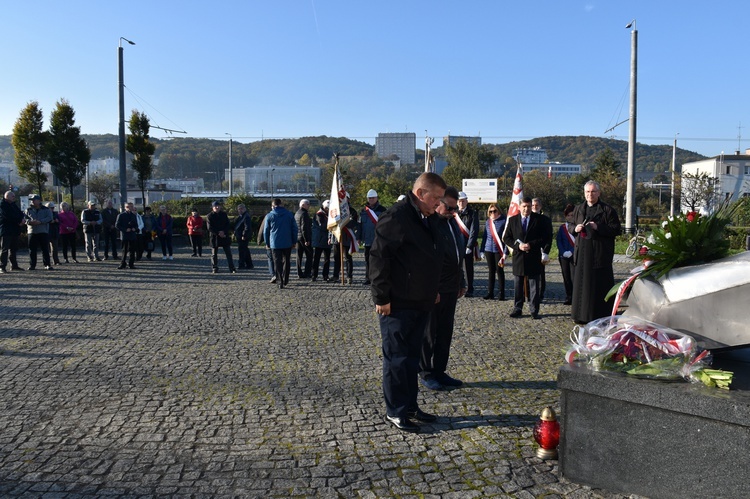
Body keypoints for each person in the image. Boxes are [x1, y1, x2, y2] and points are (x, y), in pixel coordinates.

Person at [370, 172, 447, 433]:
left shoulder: (427, 218)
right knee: (397, 359)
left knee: (412, 358)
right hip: (398, 302)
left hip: (421, 299)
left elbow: (431, 257)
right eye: (435, 198)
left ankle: (411, 405)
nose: (438, 204)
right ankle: (396, 411)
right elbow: (380, 258)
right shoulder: (397, 216)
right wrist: (381, 297)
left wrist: (432, 289)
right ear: (421, 193)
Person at [419, 186, 467, 391]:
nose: (452, 212)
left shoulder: (451, 224)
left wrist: (461, 281)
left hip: (451, 287)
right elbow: (425, 261)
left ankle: (440, 370)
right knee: (429, 332)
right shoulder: (429, 226)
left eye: (455, 208)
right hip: (434, 289)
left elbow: (457, 255)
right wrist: (431, 288)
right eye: (449, 207)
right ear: (438, 203)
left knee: (445, 332)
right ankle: (426, 371)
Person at [571, 180, 622, 324]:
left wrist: (597, 226)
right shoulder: (579, 208)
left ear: (598, 193)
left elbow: (616, 229)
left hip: (599, 254)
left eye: (593, 191)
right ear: (584, 193)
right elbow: (571, 225)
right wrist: (575, 229)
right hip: (582, 253)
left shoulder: (607, 210)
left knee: (598, 285)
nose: (590, 194)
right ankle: (579, 315)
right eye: (587, 192)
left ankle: (601, 316)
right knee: (582, 285)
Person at [503, 196, 551, 319]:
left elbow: (544, 237)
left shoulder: (539, 220)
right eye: (524, 206)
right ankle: (517, 308)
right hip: (519, 256)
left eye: (529, 206)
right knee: (518, 284)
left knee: (534, 284)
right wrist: (518, 246)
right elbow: (507, 238)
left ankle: (534, 309)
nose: (526, 209)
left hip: (533, 256)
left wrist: (531, 245)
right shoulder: (513, 220)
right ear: (519, 207)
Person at [264, 198, 297, 289]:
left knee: (277, 262)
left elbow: (266, 231)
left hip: (274, 242)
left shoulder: (269, 216)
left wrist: (267, 242)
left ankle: (279, 281)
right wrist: (294, 241)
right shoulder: (289, 214)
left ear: (273, 205)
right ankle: (286, 278)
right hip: (287, 241)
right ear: (281, 204)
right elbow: (294, 229)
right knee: (287, 260)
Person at [480, 203, 507, 301]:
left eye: (494, 211)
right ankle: (490, 292)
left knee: (499, 271)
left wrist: (505, 252)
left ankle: (501, 293)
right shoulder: (488, 222)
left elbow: (506, 238)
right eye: (491, 211)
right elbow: (485, 236)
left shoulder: (504, 221)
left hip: (498, 249)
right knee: (491, 271)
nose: (493, 213)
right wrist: (482, 250)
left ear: (498, 211)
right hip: (488, 249)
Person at [359, 189, 386, 285]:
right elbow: (360, 225)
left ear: (377, 198)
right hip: (367, 240)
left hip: (377, 240)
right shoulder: (363, 211)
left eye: (373, 198)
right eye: (369, 198)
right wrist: (359, 237)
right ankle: (368, 278)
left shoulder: (382, 210)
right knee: (367, 260)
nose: (371, 200)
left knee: (378, 260)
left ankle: (377, 278)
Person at [455, 191, 479, 297]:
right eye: (459, 201)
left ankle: (470, 288)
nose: (461, 203)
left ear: (466, 201)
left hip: (467, 245)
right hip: (456, 245)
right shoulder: (454, 213)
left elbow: (474, 231)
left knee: (469, 269)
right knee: (457, 268)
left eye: (463, 201)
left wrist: (469, 245)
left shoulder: (472, 213)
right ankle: (459, 287)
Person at [531, 198, 553, 302]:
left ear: (540, 206)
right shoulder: (527, 218)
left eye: (537, 205)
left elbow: (549, 237)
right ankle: (529, 294)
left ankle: (540, 294)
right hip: (529, 250)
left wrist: (545, 251)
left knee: (540, 274)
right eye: (533, 205)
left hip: (541, 250)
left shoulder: (546, 220)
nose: (535, 207)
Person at [206, 200, 236, 274]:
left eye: (218, 206)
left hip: (224, 236)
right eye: (215, 206)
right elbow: (210, 227)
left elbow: (227, 224)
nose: (217, 207)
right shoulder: (209, 216)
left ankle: (232, 268)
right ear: (212, 207)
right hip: (214, 237)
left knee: (228, 253)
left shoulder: (224, 214)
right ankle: (214, 268)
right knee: (214, 254)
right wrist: (218, 233)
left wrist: (224, 232)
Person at [25, 194, 54, 270]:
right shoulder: (28, 209)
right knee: (32, 249)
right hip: (32, 231)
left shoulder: (46, 209)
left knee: (45, 249)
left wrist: (40, 221)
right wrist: (30, 222)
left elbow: (50, 218)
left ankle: (47, 264)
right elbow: (25, 218)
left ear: (39, 200)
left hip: (43, 231)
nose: (32, 202)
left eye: (34, 200)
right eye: (31, 200)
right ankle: (32, 265)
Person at [331, 207, 358, 284]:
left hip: (347, 238)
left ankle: (349, 276)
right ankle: (335, 275)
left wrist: (343, 222)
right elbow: (331, 224)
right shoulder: (335, 209)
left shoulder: (352, 211)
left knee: (348, 258)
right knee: (337, 258)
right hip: (337, 238)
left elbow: (353, 223)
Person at [0, 190, 25, 273]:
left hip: (14, 230)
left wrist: (22, 219)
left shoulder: (13, 205)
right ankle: (2, 266)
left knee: (13, 249)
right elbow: (7, 216)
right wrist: (19, 221)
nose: (14, 197)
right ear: (7, 197)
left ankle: (14, 265)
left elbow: (20, 213)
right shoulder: (2, 205)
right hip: (6, 230)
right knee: (4, 249)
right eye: (12, 196)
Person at [556, 204, 576, 305]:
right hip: (563, 256)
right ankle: (569, 296)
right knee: (566, 277)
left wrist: (572, 251)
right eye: (568, 215)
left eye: (572, 215)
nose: (570, 217)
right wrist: (563, 251)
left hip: (574, 255)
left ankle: (575, 297)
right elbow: (558, 241)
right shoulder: (562, 227)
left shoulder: (577, 227)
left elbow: (579, 242)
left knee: (574, 277)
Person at [311, 200, 332, 282]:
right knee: (316, 258)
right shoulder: (319, 214)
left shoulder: (329, 215)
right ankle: (314, 275)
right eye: (326, 208)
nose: (327, 209)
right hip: (319, 240)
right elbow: (322, 226)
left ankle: (325, 275)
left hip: (327, 240)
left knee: (327, 259)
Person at [115, 202, 139, 269]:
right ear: (125, 207)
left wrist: (135, 228)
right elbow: (117, 225)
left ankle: (131, 264)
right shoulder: (121, 215)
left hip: (132, 235)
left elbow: (136, 225)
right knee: (124, 250)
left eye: (131, 206)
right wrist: (125, 229)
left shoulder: (133, 215)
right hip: (125, 235)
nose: (130, 208)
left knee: (132, 250)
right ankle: (123, 263)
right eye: (128, 206)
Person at [294, 199, 313, 278]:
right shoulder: (304, 214)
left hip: (298, 237)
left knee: (299, 255)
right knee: (310, 255)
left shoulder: (297, 213)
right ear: (303, 205)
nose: (309, 206)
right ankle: (307, 272)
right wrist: (307, 239)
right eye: (307, 204)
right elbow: (304, 228)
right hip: (303, 237)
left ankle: (299, 272)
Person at [257, 208, 276, 282]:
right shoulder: (287, 215)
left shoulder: (268, 216)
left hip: (271, 241)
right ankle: (280, 274)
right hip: (282, 242)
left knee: (271, 259)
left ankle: (273, 274)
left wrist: (260, 240)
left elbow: (264, 230)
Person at [234, 204, 254, 269]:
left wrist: (244, 235)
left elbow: (247, 227)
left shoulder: (246, 217)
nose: (240, 210)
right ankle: (249, 264)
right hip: (240, 235)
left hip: (243, 236)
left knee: (242, 251)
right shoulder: (241, 217)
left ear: (245, 209)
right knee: (245, 250)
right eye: (239, 209)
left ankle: (242, 264)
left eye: (242, 209)